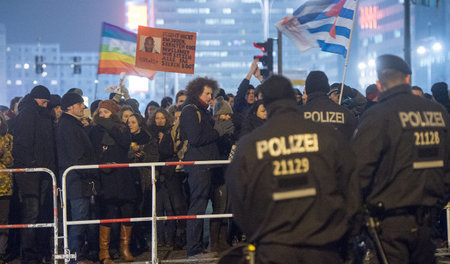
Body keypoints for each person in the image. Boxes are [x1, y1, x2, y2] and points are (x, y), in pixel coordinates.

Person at [225, 75, 358, 264]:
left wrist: (258, 237)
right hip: (324, 244)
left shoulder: (250, 146)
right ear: (292, 97)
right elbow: (351, 187)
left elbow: (239, 199)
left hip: (274, 248)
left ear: (266, 102)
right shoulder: (328, 136)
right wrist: (346, 234)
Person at [352, 54, 450, 263]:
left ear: (379, 84)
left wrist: (357, 221)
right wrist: (437, 202)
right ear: (408, 79)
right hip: (427, 222)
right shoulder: (438, 113)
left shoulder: (378, 116)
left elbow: (358, 173)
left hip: (389, 223)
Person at [179, 77, 233, 259]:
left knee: (203, 205)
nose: (210, 97)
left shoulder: (201, 110)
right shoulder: (190, 111)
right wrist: (218, 131)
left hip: (207, 164)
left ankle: (199, 245)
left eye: (211, 93)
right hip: (198, 166)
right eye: (207, 93)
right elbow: (196, 138)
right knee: (198, 205)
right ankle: (193, 248)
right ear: (197, 93)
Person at [12, 85, 56, 264]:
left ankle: (38, 250)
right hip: (31, 173)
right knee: (32, 213)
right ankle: (29, 255)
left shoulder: (41, 114)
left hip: (43, 173)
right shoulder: (28, 114)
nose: (46, 105)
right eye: (44, 101)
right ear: (36, 98)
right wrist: (32, 164)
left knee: (41, 213)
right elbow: (22, 145)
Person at [89, 100, 136, 263]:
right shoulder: (94, 130)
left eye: (106, 112)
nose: (102, 115)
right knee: (107, 212)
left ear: (113, 113)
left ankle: (125, 248)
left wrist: (109, 125)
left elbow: (124, 143)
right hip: (105, 176)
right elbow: (93, 151)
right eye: (100, 113)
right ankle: (104, 252)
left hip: (123, 176)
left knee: (128, 210)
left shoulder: (122, 128)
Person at [56, 92, 98, 264]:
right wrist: (90, 173)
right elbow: (76, 156)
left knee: (81, 220)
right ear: (70, 106)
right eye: (80, 104)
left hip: (77, 181)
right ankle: (74, 257)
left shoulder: (70, 124)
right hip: (77, 182)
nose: (83, 107)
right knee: (79, 222)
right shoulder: (69, 126)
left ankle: (76, 255)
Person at [127, 113, 159, 254]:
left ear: (139, 124)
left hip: (144, 179)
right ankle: (134, 242)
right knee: (132, 211)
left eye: (133, 122)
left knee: (142, 210)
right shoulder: (125, 139)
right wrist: (132, 154)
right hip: (130, 178)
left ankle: (143, 241)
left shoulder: (148, 139)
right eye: (128, 122)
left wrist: (143, 155)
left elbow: (155, 157)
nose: (130, 125)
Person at [299, 71, 357, 140]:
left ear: (308, 90)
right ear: (327, 88)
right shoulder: (345, 114)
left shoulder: (298, 115)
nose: (302, 97)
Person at [0, 113, 13, 264]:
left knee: (3, 221)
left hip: (4, 186)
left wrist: (4, 152)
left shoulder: (8, 138)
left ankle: (1, 252)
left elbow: (10, 162)